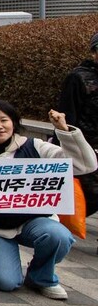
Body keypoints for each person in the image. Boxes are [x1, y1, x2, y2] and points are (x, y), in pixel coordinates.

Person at [0, 100, 96, 300]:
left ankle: (41, 277)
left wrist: (64, 130)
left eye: (4, 120)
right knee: (6, 282)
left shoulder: (35, 146)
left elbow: (83, 166)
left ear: (14, 122)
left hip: (35, 222)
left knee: (58, 235)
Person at [57, 32, 98, 238]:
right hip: (85, 146)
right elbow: (67, 114)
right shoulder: (78, 77)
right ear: (93, 52)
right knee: (89, 197)